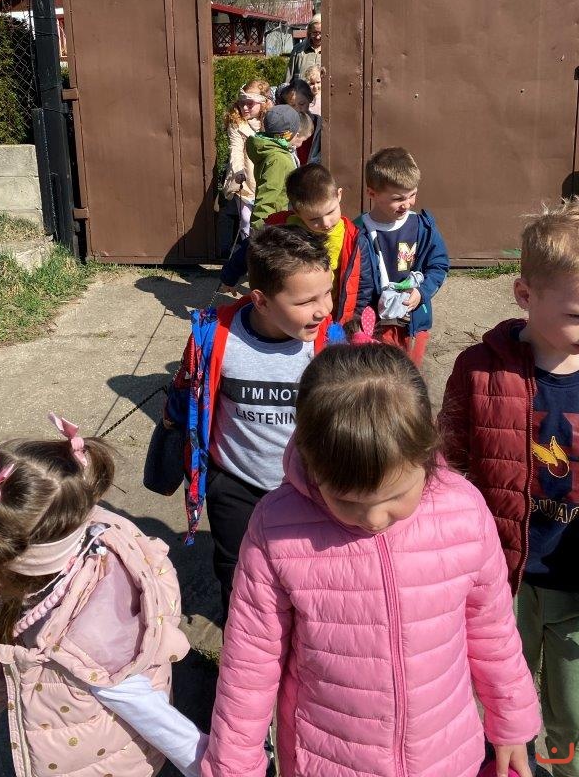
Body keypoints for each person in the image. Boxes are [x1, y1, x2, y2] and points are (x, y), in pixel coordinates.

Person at [201, 340, 541, 777]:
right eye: (347, 501)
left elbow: (492, 627)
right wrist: (234, 765)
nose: (375, 519)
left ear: (427, 450)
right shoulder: (277, 528)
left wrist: (509, 722)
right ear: (312, 462)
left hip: (445, 754)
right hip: (328, 761)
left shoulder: (464, 511)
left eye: (396, 496)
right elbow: (250, 662)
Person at [0, 418, 207, 777]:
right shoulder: (88, 522)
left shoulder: (88, 639)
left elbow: (152, 715)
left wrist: (210, 763)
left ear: (14, 568)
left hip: (100, 763)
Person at [441, 200, 579, 777]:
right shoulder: (480, 370)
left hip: (574, 585)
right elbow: (448, 469)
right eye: (577, 313)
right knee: (497, 700)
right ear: (525, 295)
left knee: (573, 712)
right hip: (502, 580)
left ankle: (564, 765)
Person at [161, 225, 333, 621]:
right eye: (306, 300)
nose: (323, 309)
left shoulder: (330, 342)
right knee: (236, 571)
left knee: (305, 573)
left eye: (327, 292)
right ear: (261, 300)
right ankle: (240, 643)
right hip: (236, 483)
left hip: (307, 486)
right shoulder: (215, 336)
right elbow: (193, 398)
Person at [220, 163, 366, 325]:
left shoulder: (353, 237)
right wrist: (229, 277)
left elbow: (363, 281)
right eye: (314, 219)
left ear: (339, 195)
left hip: (333, 312)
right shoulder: (282, 228)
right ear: (297, 212)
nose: (326, 223)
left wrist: (355, 319)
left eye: (331, 212)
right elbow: (251, 248)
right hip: (295, 313)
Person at [357, 146, 449, 365]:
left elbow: (438, 264)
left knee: (410, 374)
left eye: (412, 195)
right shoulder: (358, 231)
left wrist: (422, 292)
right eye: (398, 198)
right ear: (372, 193)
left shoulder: (422, 227)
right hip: (374, 324)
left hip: (413, 322)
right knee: (378, 374)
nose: (407, 204)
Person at [224, 81, 271, 239]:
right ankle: (247, 248)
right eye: (241, 103)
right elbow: (235, 150)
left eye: (250, 104)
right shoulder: (237, 123)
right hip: (245, 177)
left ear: (262, 103)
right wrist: (238, 171)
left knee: (264, 219)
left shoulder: (271, 120)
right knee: (246, 218)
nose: (244, 108)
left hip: (265, 175)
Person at [245, 104, 301, 229]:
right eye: (297, 133)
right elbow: (267, 196)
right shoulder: (278, 159)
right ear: (289, 134)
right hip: (274, 225)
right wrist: (259, 231)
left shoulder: (274, 151)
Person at [277, 78, 319, 165]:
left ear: (310, 99)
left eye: (302, 104)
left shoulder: (319, 125)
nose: (297, 109)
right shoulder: (285, 126)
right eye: (292, 105)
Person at [285, 14, 322, 82]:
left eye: (320, 33)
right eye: (314, 33)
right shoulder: (298, 50)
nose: (317, 37)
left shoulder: (331, 52)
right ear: (309, 32)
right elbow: (288, 79)